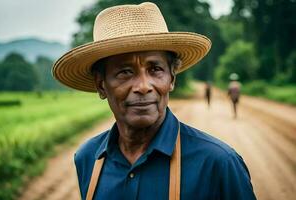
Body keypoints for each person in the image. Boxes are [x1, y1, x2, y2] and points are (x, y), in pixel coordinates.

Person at [52, 2, 256, 200]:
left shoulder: (218, 163)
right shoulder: (88, 158)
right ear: (101, 84)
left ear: (172, 78)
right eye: (125, 72)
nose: (143, 86)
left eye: (155, 69)